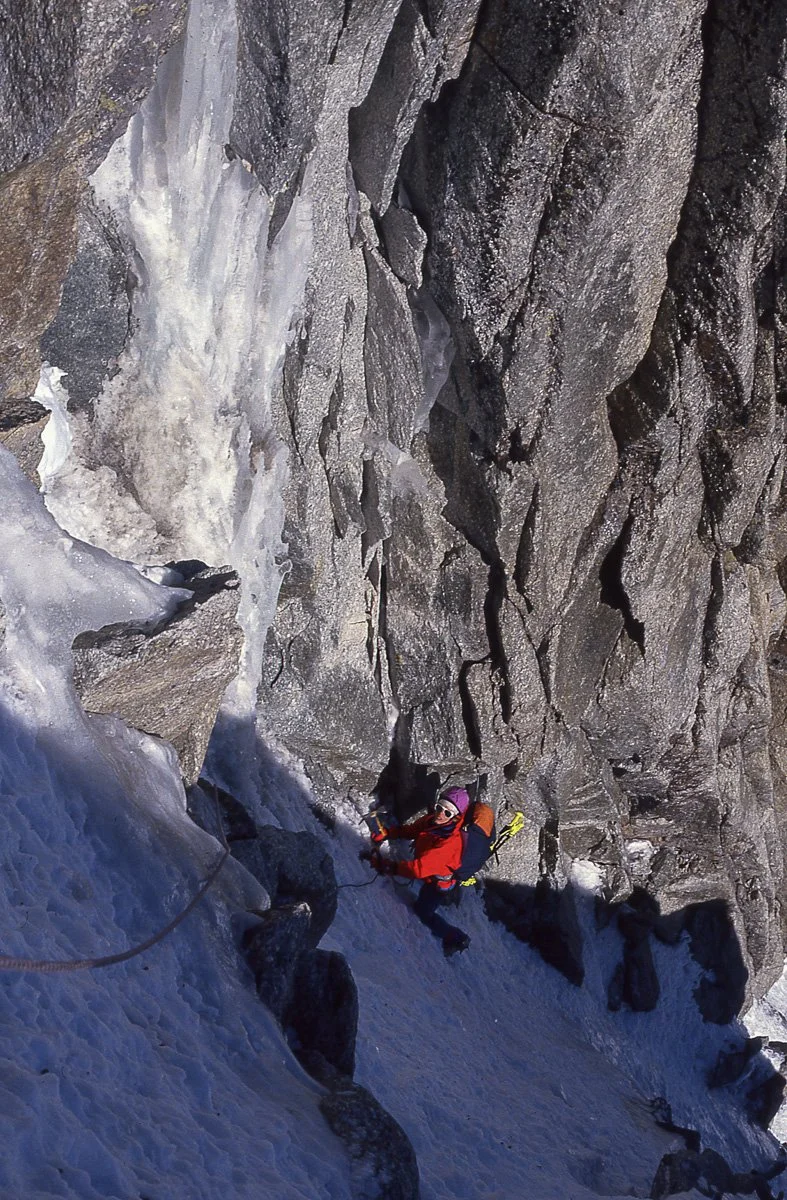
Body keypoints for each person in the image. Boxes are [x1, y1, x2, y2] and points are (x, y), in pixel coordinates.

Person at [366, 786, 472, 957]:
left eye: (447, 813)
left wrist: (387, 866)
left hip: (438, 885)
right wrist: (387, 833)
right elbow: (411, 831)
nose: (440, 814)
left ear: (456, 817)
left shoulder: (449, 844)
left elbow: (418, 870)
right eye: (439, 807)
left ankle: (456, 937)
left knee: (423, 912)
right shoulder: (433, 822)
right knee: (423, 902)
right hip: (429, 875)